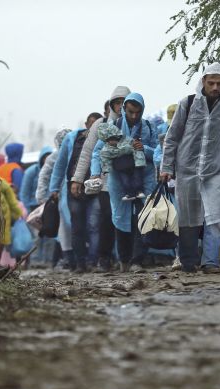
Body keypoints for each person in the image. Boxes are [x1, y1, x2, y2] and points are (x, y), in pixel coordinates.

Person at [160, 63, 220, 274]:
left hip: (216, 170)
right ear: (203, 82)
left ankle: (210, 262)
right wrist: (166, 167)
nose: (215, 87)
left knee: (214, 214)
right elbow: (172, 137)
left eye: (219, 83)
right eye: (211, 83)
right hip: (187, 169)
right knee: (188, 217)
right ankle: (188, 261)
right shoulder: (188, 104)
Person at [90, 92, 158, 273]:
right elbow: (97, 152)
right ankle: (124, 259)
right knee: (120, 218)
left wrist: (144, 148)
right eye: (130, 112)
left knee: (142, 217)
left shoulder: (149, 128)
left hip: (144, 179)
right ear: (124, 109)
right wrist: (96, 173)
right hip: (119, 180)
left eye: (137, 112)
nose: (134, 116)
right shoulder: (111, 127)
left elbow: (159, 153)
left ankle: (137, 260)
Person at [70, 86, 131, 272]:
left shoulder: (136, 123)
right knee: (106, 219)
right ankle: (105, 258)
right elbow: (87, 152)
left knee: (127, 220)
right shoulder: (100, 124)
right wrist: (77, 179)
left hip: (128, 181)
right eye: (117, 102)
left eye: (124, 102)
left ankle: (127, 259)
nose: (120, 106)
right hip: (105, 182)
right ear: (111, 104)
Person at [49, 113, 104, 272]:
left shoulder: (102, 141)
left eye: (97, 126)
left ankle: (92, 261)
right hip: (74, 188)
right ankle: (80, 263)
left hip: (94, 188)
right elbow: (60, 164)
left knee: (93, 225)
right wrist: (54, 188)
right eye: (91, 125)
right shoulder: (72, 139)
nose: (93, 128)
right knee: (77, 226)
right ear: (86, 124)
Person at [36, 129, 72, 269]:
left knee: (74, 228)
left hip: (76, 195)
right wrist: (43, 197)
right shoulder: (55, 156)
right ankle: (67, 258)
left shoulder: (78, 152)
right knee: (63, 229)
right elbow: (44, 175)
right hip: (60, 197)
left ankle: (75, 258)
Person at [97, 123, 146, 201]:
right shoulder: (106, 149)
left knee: (138, 179)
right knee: (125, 182)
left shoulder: (128, 140)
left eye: (113, 139)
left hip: (134, 165)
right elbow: (105, 158)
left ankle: (139, 191)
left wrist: (140, 162)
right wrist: (106, 169)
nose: (112, 142)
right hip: (121, 168)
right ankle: (130, 194)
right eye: (109, 140)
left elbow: (137, 150)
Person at [20, 146, 53, 213]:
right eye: (45, 157)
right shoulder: (31, 172)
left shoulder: (56, 171)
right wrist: (27, 211)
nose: (47, 159)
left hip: (51, 205)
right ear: (41, 158)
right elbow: (24, 193)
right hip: (34, 206)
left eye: (50, 157)